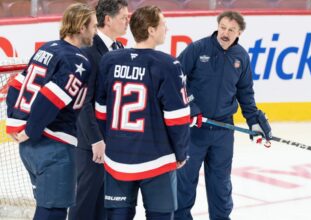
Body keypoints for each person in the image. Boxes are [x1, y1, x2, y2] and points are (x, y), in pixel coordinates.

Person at [174, 11, 272, 220]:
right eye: (223, 27)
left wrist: (254, 121)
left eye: (231, 30)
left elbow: (245, 92)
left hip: (223, 131)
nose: (225, 33)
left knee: (220, 183)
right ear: (218, 26)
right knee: (184, 181)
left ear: (239, 33)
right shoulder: (198, 48)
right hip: (194, 130)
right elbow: (176, 79)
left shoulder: (241, 57)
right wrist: (191, 108)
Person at [95, 5, 190, 220]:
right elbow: (177, 118)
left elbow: (101, 111)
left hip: (117, 159)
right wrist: (181, 153)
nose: (167, 29)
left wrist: (111, 142)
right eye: (163, 25)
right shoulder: (168, 65)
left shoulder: (110, 60)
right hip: (157, 160)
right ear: (151, 30)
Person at [5, 3, 97, 220]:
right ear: (81, 27)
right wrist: (32, 128)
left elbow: (16, 85)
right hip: (53, 146)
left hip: (30, 149)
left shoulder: (47, 48)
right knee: (53, 212)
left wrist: (14, 124)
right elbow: (52, 96)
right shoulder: (77, 60)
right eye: (93, 26)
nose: (95, 31)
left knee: (46, 207)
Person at [68, 1, 129, 219]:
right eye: (123, 17)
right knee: (84, 203)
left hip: (111, 141)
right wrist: (95, 140)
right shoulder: (89, 52)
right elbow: (83, 101)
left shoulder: (119, 48)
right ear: (108, 20)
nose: (127, 21)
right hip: (91, 145)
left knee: (103, 204)